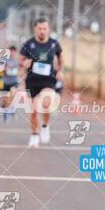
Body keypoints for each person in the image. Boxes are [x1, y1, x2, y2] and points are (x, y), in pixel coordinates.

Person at [20, 17, 64, 147]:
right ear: (35, 29)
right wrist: (24, 64)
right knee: (33, 111)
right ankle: (34, 135)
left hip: (48, 79)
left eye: (44, 28)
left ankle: (45, 126)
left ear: (48, 29)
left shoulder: (54, 44)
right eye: (40, 28)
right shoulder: (28, 44)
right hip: (32, 80)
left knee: (46, 102)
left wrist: (61, 71)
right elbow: (21, 60)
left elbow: (61, 60)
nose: (42, 31)